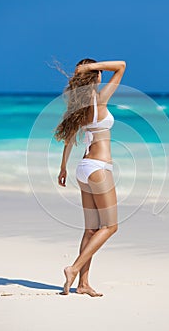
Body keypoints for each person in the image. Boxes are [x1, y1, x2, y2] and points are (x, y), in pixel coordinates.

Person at [55, 59, 126, 297]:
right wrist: (88, 68)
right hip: (98, 168)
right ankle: (73, 268)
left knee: (90, 230)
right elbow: (122, 66)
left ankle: (83, 284)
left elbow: (68, 140)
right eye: (99, 74)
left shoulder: (79, 106)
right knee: (111, 227)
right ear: (96, 76)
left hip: (83, 168)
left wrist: (63, 168)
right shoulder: (100, 99)